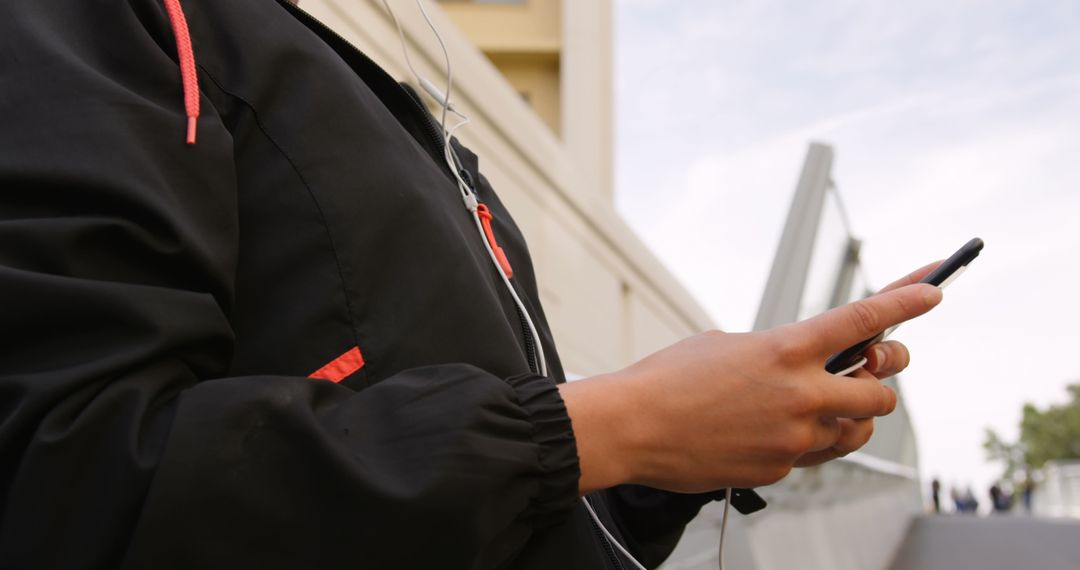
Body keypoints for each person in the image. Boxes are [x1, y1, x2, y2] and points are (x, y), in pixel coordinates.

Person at [0, 1, 943, 568]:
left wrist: (664, 461)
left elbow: (520, 520)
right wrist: (619, 424)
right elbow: (68, 483)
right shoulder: (103, 24)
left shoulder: (395, 110)